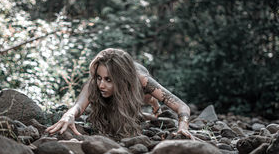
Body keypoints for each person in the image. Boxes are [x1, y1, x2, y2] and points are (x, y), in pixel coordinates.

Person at [46, 48, 194, 139]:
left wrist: (183, 127)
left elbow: (182, 106)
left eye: (108, 80)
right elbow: (78, 106)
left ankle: (154, 106)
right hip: (118, 95)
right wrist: (68, 116)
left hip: (138, 91)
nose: (101, 84)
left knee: (147, 98)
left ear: (121, 80)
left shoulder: (143, 81)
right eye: (99, 78)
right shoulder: (94, 84)